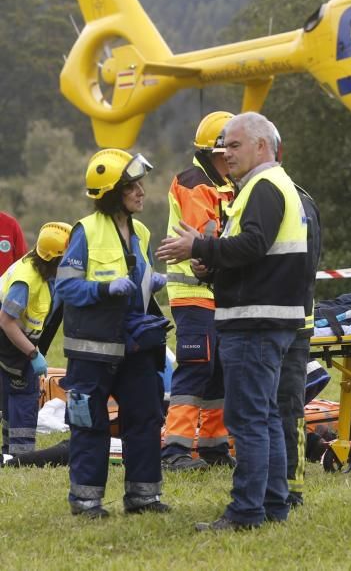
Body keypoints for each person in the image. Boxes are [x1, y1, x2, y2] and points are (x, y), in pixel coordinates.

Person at [156, 111, 309, 532]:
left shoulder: (262, 186)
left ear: (262, 145)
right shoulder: (272, 185)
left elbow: (254, 243)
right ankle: (274, 504)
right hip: (267, 317)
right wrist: (215, 267)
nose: (227, 154)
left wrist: (199, 246)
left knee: (249, 419)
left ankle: (245, 512)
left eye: (235, 145)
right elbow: (257, 252)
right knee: (265, 416)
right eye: (223, 147)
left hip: (255, 320)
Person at [56, 149, 171, 518]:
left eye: (140, 184)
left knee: (146, 418)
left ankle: (143, 498)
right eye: (132, 186)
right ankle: (87, 502)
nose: (141, 192)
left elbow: (137, 284)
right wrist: (103, 290)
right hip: (92, 351)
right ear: (111, 193)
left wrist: (151, 284)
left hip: (135, 344)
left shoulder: (141, 232)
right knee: (90, 424)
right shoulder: (85, 231)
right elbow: (65, 288)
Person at [161, 111, 235, 472]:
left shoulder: (226, 185)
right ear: (213, 152)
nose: (233, 158)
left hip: (217, 295)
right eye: (229, 150)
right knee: (194, 369)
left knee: (218, 371)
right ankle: (175, 449)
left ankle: (214, 446)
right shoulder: (195, 182)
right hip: (194, 295)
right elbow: (205, 239)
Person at [0, 222, 71, 457]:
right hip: (10, 342)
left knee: (12, 393)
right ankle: (21, 455)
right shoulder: (26, 281)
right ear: (54, 259)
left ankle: (10, 451)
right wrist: (32, 353)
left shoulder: (39, 267)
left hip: (14, 341)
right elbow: (7, 321)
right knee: (23, 393)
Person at [277, 181, 321, 508]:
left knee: (287, 408)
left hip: (285, 321)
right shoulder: (301, 195)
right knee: (287, 408)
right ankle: (288, 485)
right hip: (295, 317)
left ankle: (291, 487)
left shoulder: (279, 198)